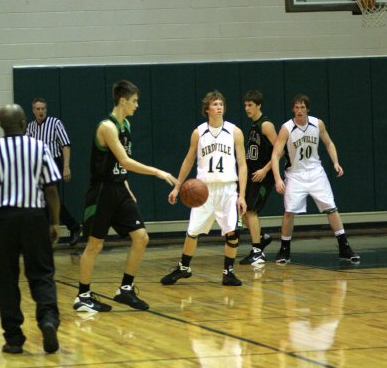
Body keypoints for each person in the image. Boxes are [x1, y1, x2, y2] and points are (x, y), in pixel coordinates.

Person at [74, 79, 177, 313]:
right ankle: (82, 296)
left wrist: (127, 187)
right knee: (94, 245)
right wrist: (158, 172)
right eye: (134, 101)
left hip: (119, 188)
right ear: (122, 101)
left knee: (141, 237)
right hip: (101, 191)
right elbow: (125, 161)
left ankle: (126, 289)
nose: (137, 105)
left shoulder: (126, 126)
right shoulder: (107, 127)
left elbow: (119, 165)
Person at [161, 90, 247, 287]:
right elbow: (189, 160)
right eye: (215, 104)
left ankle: (228, 272)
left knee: (232, 231)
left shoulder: (235, 131)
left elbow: (242, 164)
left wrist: (241, 195)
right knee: (192, 231)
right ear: (207, 109)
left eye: (221, 104)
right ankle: (184, 267)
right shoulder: (198, 132)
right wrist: (177, 187)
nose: (219, 107)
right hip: (204, 190)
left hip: (228, 189)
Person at [0, 104, 61, 354]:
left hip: (3, 219)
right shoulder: (39, 146)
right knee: (42, 274)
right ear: (24, 122)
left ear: (2, 126)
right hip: (34, 217)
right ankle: (47, 319)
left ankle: (14, 338)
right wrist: (54, 222)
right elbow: (51, 189)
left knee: (5, 279)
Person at [271, 94, 360, 264]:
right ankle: (284, 250)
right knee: (289, 211)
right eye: (296, 107)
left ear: (307, 109)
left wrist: (335, 162)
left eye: (302, 107)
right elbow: (275, 155)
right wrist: (277, 179)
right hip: (295, 174)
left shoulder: (317, 123)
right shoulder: (286, 128)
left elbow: (329, 143)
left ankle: (344, 247)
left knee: (331, 208)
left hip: (315, 172)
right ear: (293, 109)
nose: (299, 110)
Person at [26, 97, 81, 246]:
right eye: (38, 109)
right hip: (37, 166)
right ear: (33, 111)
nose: (40, 111)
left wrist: (66, 167)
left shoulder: (55, 123)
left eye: (43, 108)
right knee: (42, 201)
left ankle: (74, 227)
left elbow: (65, 145)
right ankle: (49, 235)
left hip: (53, 164)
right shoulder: (30, 127)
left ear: (46, 110)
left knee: (52, 198)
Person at [239, 90, 277, 266]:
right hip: (251, 174)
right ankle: (261, 237)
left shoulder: (265, 125)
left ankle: (257, 252)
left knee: (251, 211)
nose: (247, 108)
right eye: (245, 105)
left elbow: (280, 150)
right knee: (243, 210)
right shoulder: (253, 125)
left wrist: (265, 169)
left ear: (259, 105)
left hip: (263, 175)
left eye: (250, 105)